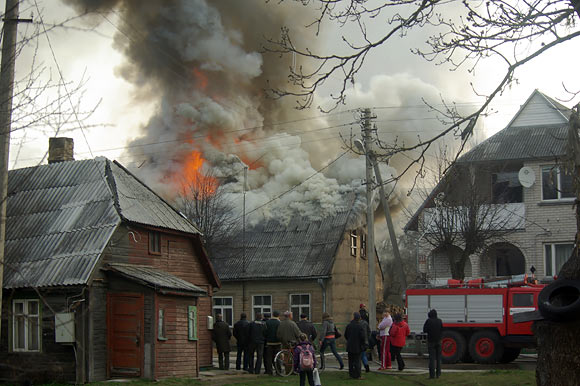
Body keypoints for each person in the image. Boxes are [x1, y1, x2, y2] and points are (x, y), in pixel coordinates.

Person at [344, 312, 367, 380]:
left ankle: (351, 374)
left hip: (350, 346)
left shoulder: (349, 325)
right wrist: (363, 344)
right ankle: (358, 375)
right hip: (357, 346)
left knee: (350, 361)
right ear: (359, 318)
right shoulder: (360, 326)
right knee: (357, 361)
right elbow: (363, 337)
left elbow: (346, 335)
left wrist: (349, 340)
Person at [423, 309, 443, 379]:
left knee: (432, 358)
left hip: (431, 341)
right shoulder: (439, 321)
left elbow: (424, 330)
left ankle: (432, 375)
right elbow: (442, 329)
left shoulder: (428, 321)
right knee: (438, 358)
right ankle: (438, 374)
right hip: (438, 341)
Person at [264, 310, 281, 375]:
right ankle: (278, 371)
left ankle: (269, 371)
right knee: (277, 357)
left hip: (269, 343)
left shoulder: (267, 322)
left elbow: (264, 332)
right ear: (278, 315)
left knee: (269, 358)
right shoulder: (279, 322)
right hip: (278, 343)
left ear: (272, 315)